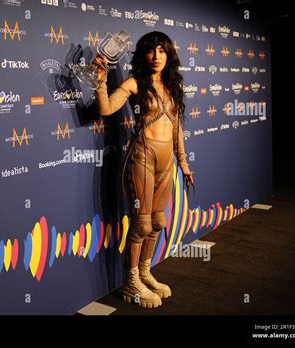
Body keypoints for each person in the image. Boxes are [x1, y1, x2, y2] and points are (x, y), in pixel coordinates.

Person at [93, 31, 194, 308]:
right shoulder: (135, 83)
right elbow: (105, 108)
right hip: (142, 159)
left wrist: (183, 164)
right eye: (151, 51)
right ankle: (131, 281)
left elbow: (177, 130)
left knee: (159, 222)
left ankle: (145, 272)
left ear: (168, 55)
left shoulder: (172, 87)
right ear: (143, 55)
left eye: (162, 51)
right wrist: (101, 82)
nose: (157, 57)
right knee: (142, 224)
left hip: (166, 164)